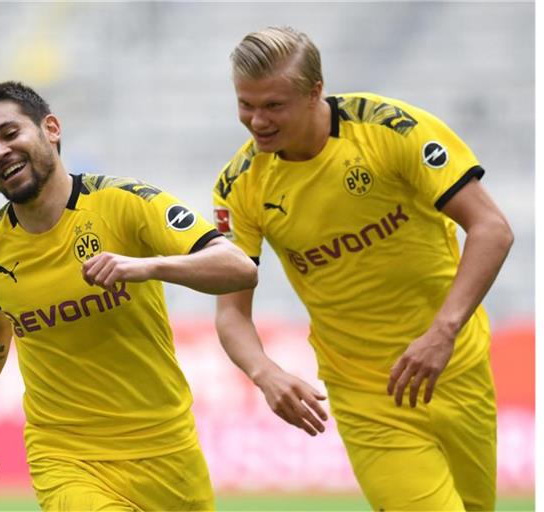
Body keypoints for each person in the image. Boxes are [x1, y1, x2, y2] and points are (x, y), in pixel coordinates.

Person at [212, 27, 513, 511]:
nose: (257, 121)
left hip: (456, 365)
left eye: (273, 105)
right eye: (246, 104)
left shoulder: (391, 131)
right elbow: (231, 313)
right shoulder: (240, 185)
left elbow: (492, 228)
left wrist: (442, 332)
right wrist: (264, 371)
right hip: (364, 393)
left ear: (315, 93)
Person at [0, 81, 257, 510]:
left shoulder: (124, 203)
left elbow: (239, 268)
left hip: (166, 449)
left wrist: (147, 266)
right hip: (65, 454)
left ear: (52, 129)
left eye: (9, 134)